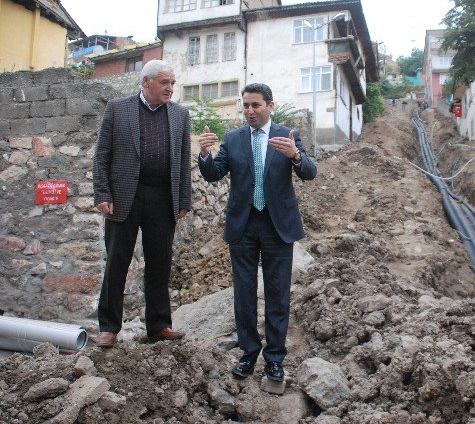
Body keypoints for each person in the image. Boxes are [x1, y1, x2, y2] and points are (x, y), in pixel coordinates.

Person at [198, 83, 317, 382]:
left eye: (256, 105)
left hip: (278, 226)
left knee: (277, 294)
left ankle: (275, 358)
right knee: (244, 293)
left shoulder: (287, 136)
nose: (250, 111)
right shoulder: (234, 138)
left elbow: (309, 173)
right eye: (246, 105)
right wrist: (204, 155)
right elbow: (214, 174)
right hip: (243, 225)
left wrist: (296, 156)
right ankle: (248, 353)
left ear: (270, 106)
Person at [93, 60, 191, 348]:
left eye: (172, 83)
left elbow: (184, 161)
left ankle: (159, 325)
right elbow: (102, 155)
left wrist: (183, 199)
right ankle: (109, 327)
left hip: (163, 198)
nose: (170, 88)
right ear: (146, 82)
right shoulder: (117, 108)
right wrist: (102, 193)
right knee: (117, 263)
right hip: (124, 197)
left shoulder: (180, 115)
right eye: (164, 83)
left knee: (160, 264)